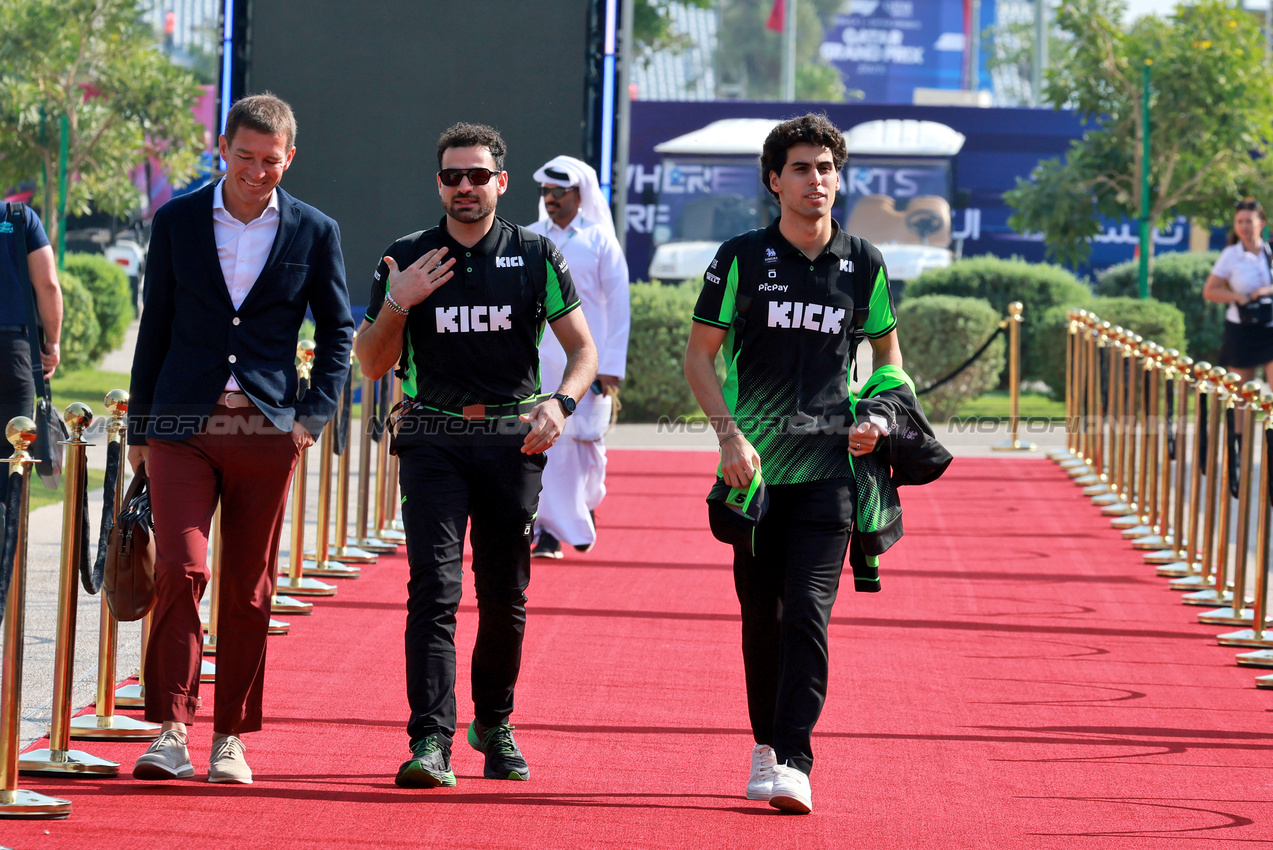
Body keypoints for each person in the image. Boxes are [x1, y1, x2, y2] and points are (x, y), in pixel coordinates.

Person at [355, 123, 597, 789]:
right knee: (433, 589)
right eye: (453, 176)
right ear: (439, 184)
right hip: (432, 438)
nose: (465, 186)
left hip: (511, 442)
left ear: (501, 182)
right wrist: (398, 303)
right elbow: (370, 363)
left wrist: (562, 404)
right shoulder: (406, 256)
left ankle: (494, 723)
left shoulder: (534, 253)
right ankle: (429, 739)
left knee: (503, 593)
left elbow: (583, 350)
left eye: (478, 175)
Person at [127, 93, 354, 784]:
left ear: (291, 158)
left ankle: (230, 737)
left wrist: (311, 419)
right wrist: (141, 427)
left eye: (271, 161)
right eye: (246, 157)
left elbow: (337, 331)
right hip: (181, 427)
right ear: (222, 148)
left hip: (267, 428)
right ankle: (170, 729)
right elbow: (156, 323)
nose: (257, 172)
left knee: (249, 589)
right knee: (180, 569)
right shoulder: (177, 220)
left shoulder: (315, 230)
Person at [683, 113, 902, 815]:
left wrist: (877, 414)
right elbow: (699, 357)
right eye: (802, 168)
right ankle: (765, 745)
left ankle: (795, 759)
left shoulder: (864, 262)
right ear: (774, 180)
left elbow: (888, 357)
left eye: (826, 168)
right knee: (764, 618)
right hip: (753, 477)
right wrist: (728, 438)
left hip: (831, 474)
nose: (817, 180)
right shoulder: (740, 258)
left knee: (808, 611)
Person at [525, 156, 629, 558]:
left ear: (579, 194)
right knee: (549, 446)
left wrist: (611, 366)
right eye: (545, 191)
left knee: (587, 445)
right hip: (538, 364)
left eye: (558, 191)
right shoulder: (530, 237)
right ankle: (549, 529)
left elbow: (618, 305)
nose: (549, 198)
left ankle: (582, 508)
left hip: (587, 365)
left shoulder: (600, 240)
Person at [0, 201, 61, 492]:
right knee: (13, 452)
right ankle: (8, 517)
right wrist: (53, 342)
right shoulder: (20, 217)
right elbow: (48, 285)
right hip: (14, 351)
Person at [1203, 199, 1273, 384]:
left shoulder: (1269, 251)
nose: (1244, 226)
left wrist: (1268, 290)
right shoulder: (1230, 255)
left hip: (1270, 326)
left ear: (1261, 224)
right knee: (1241, 393)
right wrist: (1238, 296)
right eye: (1239, 222)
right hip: (1242, 329)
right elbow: (1209, 291)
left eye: (1249, 221)